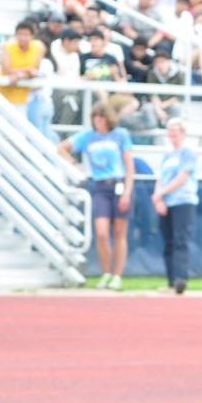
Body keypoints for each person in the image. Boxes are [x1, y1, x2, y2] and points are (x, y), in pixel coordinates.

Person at [58, 102, 134, 291]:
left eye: (102, 117)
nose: (98, 121)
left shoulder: (120, 135)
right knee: (101, 233)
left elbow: (129, 165)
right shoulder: (88, 137)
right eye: (95, 117)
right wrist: (74, 164)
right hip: (100, 186)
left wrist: (127, 191)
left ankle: (117, 275)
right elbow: (61, 148)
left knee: (119, 233)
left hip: (118, 183)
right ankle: (106, 272)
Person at [152, 117, 196, 295]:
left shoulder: (188, 153)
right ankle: (170, 281)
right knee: (168, 242)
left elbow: (182, 177)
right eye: (170, 131)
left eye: (175, 131)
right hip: (167, 202)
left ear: (182, 133)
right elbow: (160, 178)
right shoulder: (167, 156)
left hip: (183, 200)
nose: (172, 135)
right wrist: (158, 198)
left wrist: (162, 193)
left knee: (180, 240)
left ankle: (180, 279)